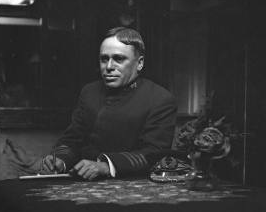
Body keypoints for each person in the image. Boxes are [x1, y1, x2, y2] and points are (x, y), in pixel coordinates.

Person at [41, 27, 177, 180]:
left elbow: (154, 154)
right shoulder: (89, 92)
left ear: (139, 63)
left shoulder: (160, 99)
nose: (109, 67)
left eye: (119, 59)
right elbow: (72, 139)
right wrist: (60, 160)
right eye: (104, 59)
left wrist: (107, 166)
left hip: (130, 186)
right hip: (81, 181)